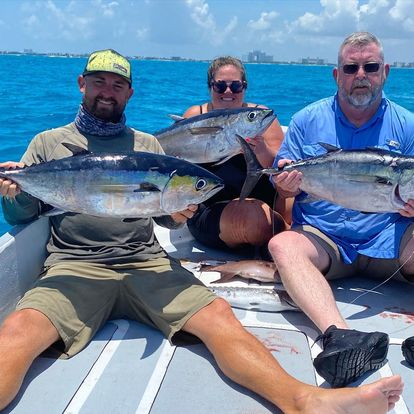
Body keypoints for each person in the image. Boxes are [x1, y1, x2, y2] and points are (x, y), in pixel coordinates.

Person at [0, 48, 404, 413]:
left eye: (118, 85)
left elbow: (159, 217)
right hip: (75, 266)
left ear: (129, 93)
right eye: (99, 82)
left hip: (146, 263)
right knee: (17, 333)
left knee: (221, 319)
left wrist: (176, 215)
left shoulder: (146, 145)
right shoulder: (47, 144)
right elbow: (22, 216)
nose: (108, 91)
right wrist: (13, 193)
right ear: (81, 84)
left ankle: (304, 400)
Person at [268, 31, 414, 388]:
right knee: (282, 246)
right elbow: (283, 175)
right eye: (351, 67)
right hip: (325, 238)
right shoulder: (305, 120)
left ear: (386, 72)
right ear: (337, 75)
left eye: (370, 66)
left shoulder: (408, 125)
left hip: (390, 238)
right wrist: (282, 181)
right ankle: (340, 337)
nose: (360, 74)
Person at [183, 56, 292, 252]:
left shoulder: (261, 116)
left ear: (244, 87)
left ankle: (288, 239)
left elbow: (280, 170)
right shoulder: (195, 116)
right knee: (253, 220)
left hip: (265, 202)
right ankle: (284, 240)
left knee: (298, 195)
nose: (228, 92)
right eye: (220, 86)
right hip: (214, 210)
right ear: (210, 87)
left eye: (235, 86)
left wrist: (261, 150)